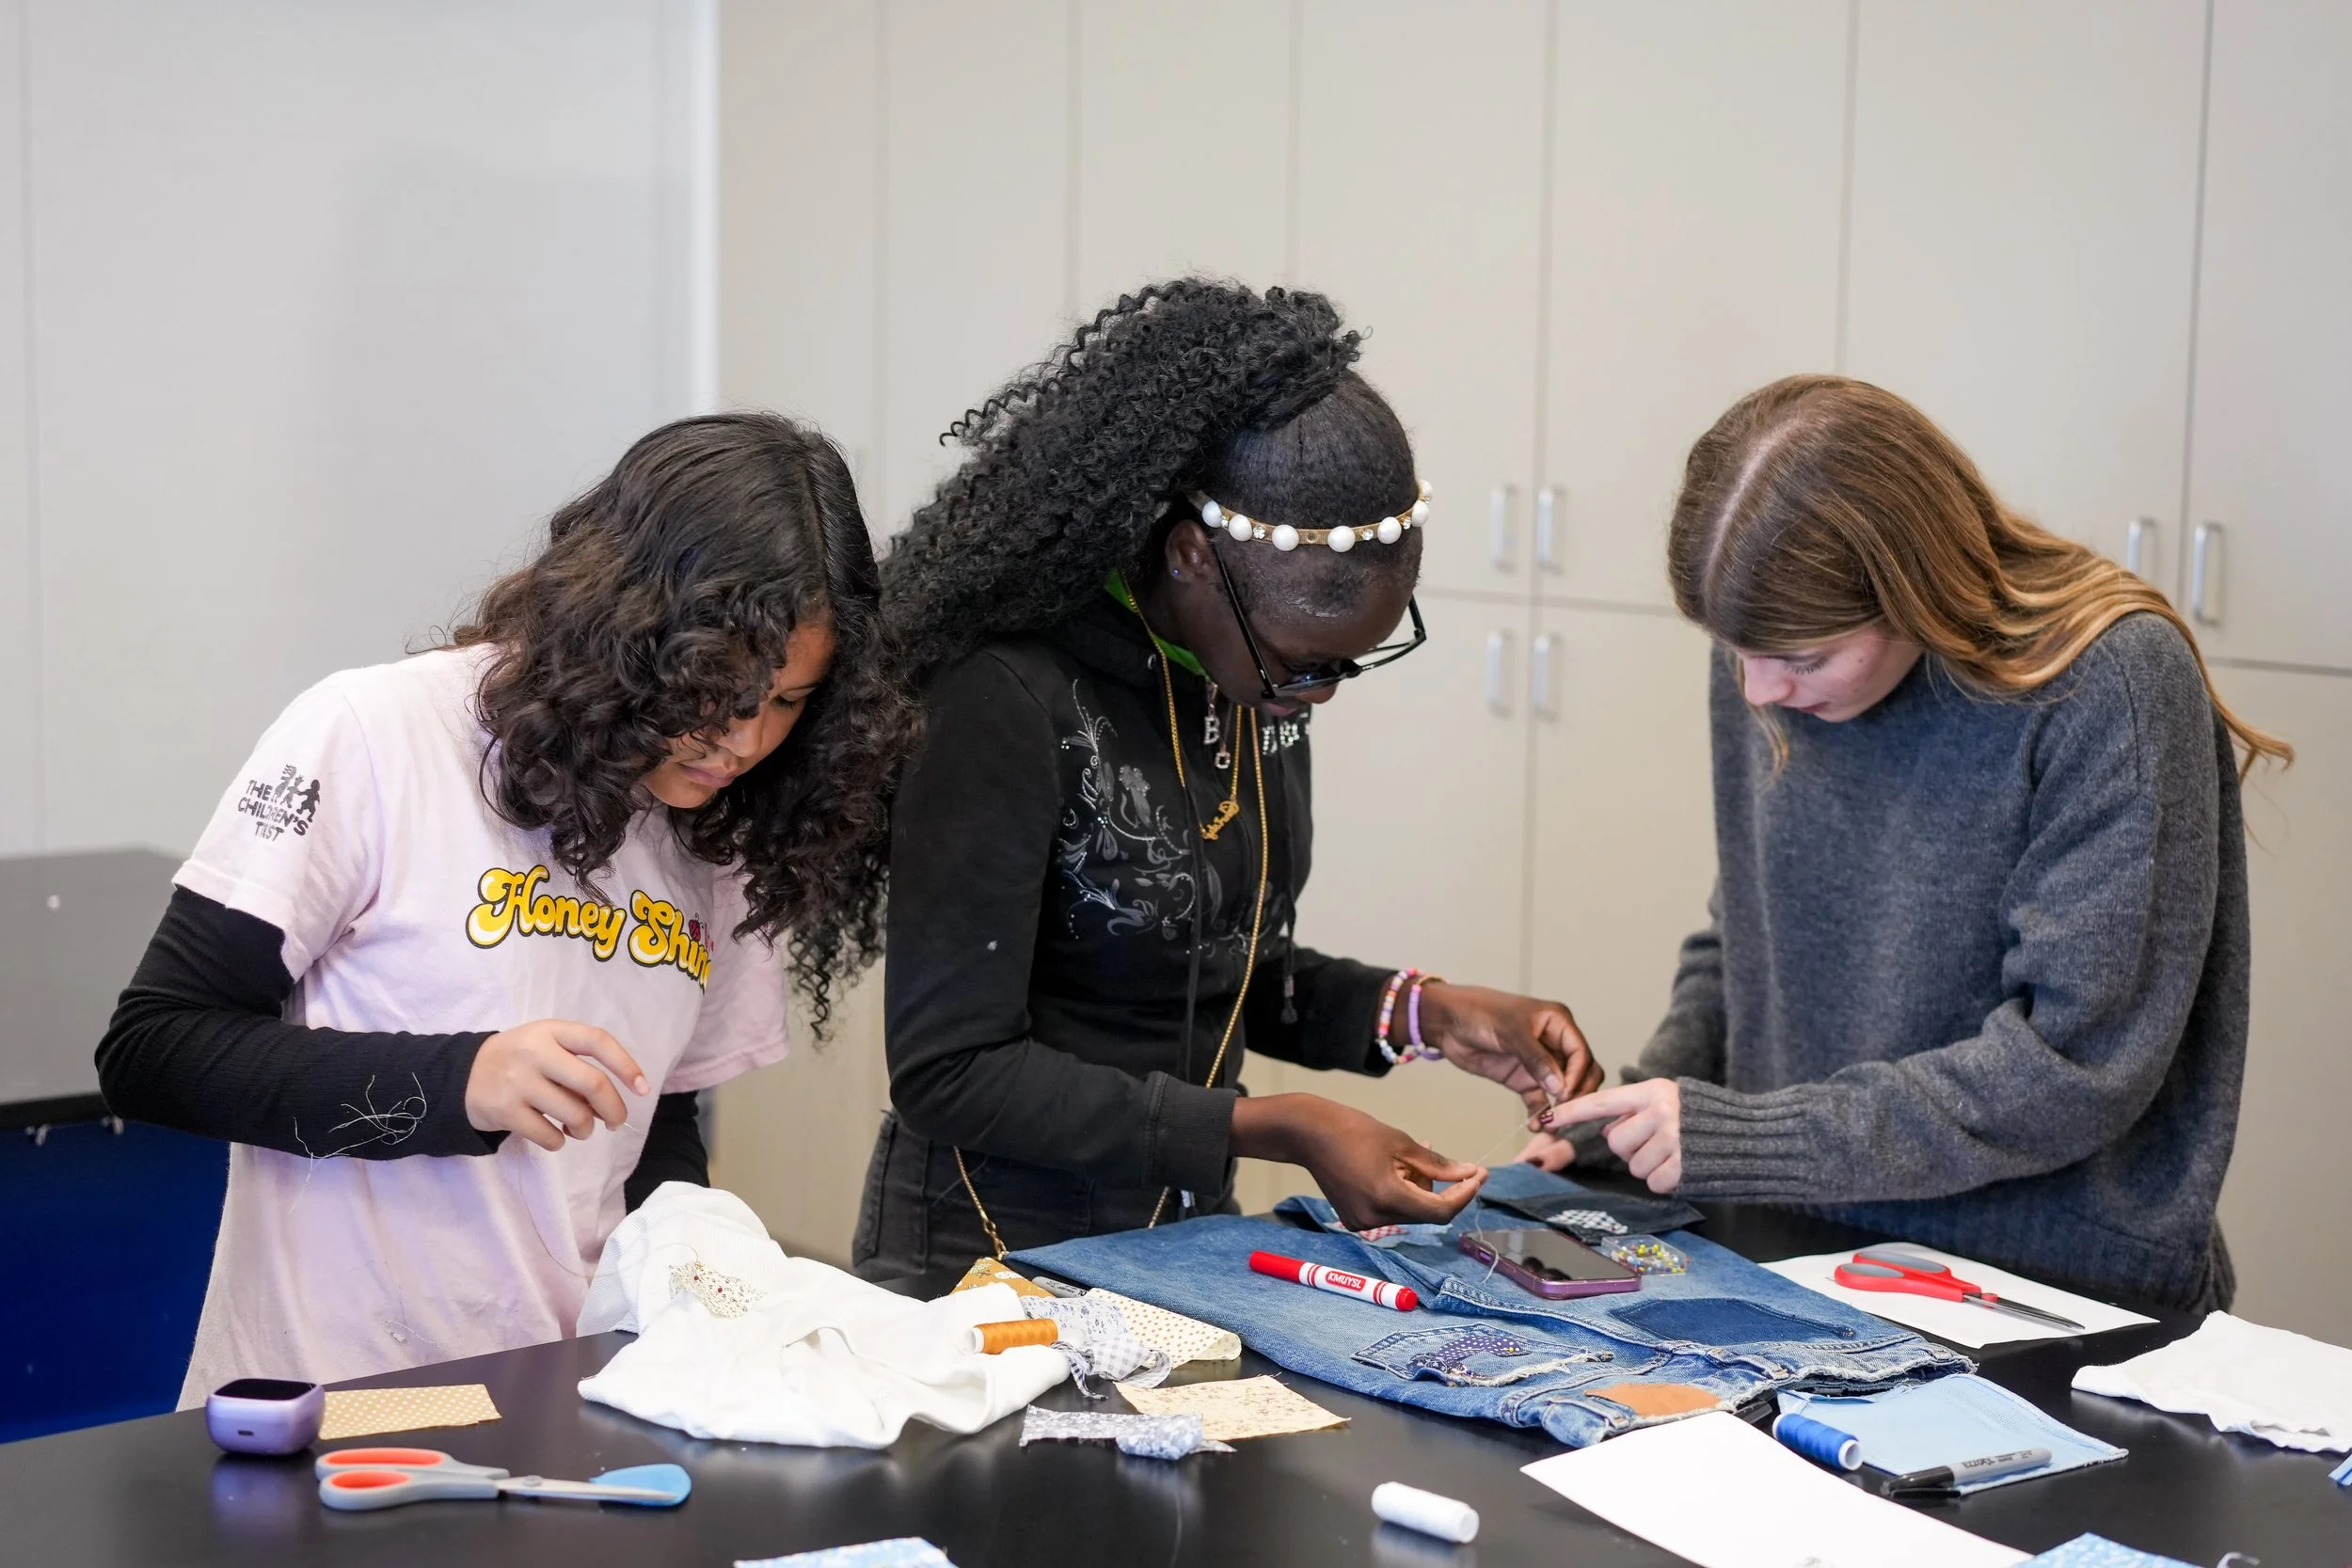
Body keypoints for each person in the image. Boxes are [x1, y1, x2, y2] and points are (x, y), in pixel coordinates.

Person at [98, 413, 911, 1399]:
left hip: (558, 1389)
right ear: (631, 629)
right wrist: (463, 1079)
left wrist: (702, 1272)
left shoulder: (726, 827)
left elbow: (651, 1127)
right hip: (340, 1394)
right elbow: (154, 1048)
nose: (741, 739)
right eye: (719, 687)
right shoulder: (376, 734)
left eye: (785, 703)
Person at [855, 279, 1603, 1277]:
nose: (1320, 695)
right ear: (1190, 555)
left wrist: (1428, 1012)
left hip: (1185, 1241)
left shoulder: (1241, 675)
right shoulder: (999, 694)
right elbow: (950, 1069)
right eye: (1304, 661)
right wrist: (1275, 1123)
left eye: (1349, 663)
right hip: (987, 1257)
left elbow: (1209, 967)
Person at [1521, 374, 2290, 1311]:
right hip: (1800, 1245)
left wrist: (1741, 1134)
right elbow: (1751, 938)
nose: (1760, 690)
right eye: (1736, 654)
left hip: (2047, 1286)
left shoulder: (2108, 683)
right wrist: (1643, 1110)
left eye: (1802, 659)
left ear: (1916, 587)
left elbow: (2071, 1066)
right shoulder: (1770, 662)